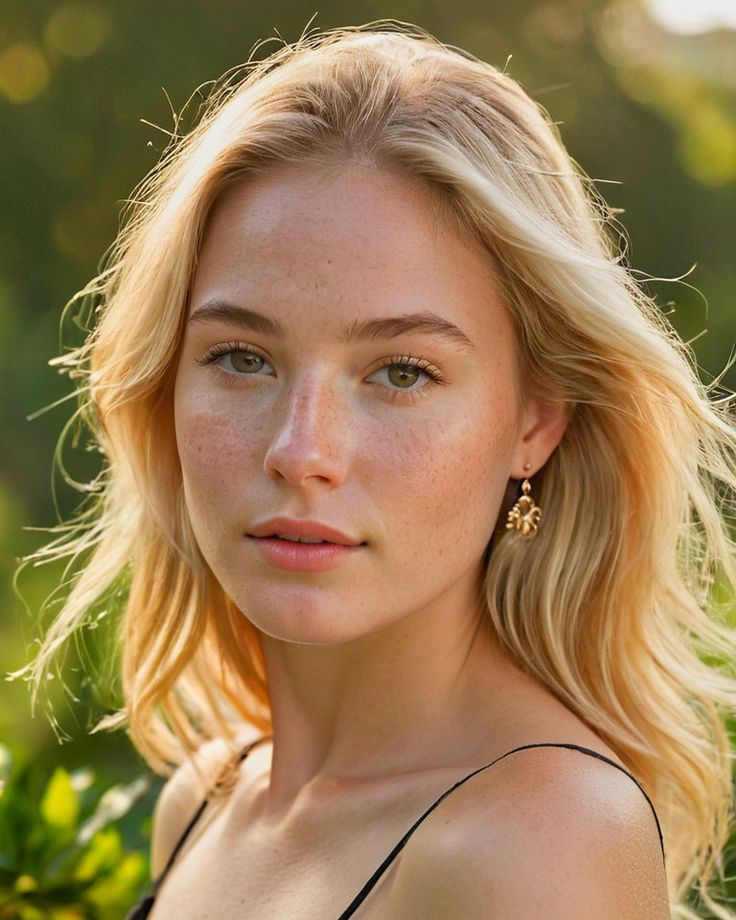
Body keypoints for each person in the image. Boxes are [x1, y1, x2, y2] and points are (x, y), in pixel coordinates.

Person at [21, 20, 736, 920]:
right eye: (242, 357)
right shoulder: (205, 802)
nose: (301, 451)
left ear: (536, 422)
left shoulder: (539, 843)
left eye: (402, 372)